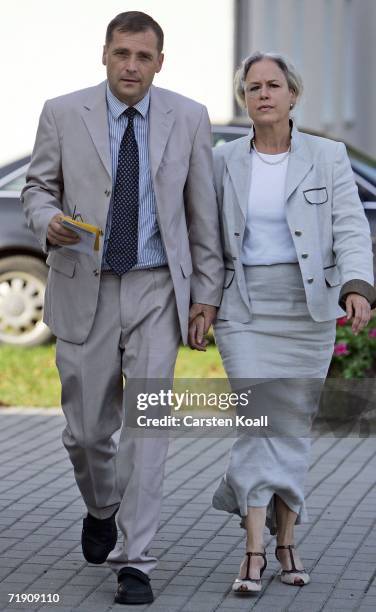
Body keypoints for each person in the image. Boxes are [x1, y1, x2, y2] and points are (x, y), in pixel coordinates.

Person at [22, 11, 223, 605]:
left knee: (149, 427)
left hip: (158, 288)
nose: (131, 65)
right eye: (121, 54)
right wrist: (46, 220)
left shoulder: (189, 117)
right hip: (85, 282)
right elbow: (37, 187)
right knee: (86, 432)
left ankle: (136, 560)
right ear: (104, 55)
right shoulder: (62, 112)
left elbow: (201, 212)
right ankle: (101, 505)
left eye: (143, 56)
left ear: (160, 62)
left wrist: (205, 294)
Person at [202, 51, 376, 593]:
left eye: (273, 85)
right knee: (258, 424)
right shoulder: (222, 159)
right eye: (252, 88)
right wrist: (201, 304)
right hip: (245, 309)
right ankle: (256, 551)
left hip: (308, 312)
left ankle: (285, 540)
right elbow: (206, 239)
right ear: (244, 100)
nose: (263, 95)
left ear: (293, 94)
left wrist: (357, 285)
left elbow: (349, 227)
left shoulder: (327, 155)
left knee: (290, 429)